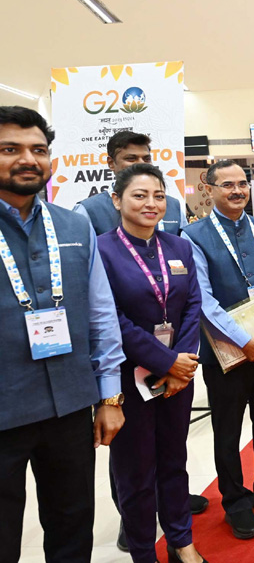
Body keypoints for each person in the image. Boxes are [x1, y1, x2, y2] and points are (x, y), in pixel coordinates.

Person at [0, 106, 126, 562]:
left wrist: (109, 397)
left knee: (72, 528)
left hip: (69, 406)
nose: (27, 159)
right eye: (10, 149)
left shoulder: (73, 225)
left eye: (38, 149)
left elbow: (100, 313)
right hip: (5, 408)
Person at [73, 130, 205, 553]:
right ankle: (143, 551)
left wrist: (181, 362)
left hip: (177, 379)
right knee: (136, 471)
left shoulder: (179, 246)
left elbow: (192, 305)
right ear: (116, 200)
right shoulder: (101, 250)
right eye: (139, 195)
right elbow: (111, 318)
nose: (151, 204)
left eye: (159, 196)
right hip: (129, 380)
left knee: (175, 462)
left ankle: (182, 543)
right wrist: (166, 361)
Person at [182, 160, 254, 540]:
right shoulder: (193, 236)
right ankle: (235, 501)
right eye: (227, 185)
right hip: (226, 353)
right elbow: (203, 300)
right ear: (209, 190)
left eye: (242, 184)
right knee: (228, 430)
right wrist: (244, 341)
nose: (237, 191)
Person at [74, 130, 188, 236]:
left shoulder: (173, 206)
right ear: (111, 163)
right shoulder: (88, 210)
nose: (141, 164)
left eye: (146, 159)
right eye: (131, 159)